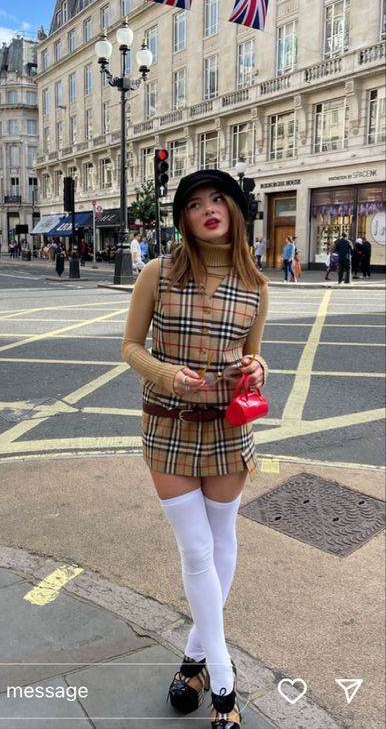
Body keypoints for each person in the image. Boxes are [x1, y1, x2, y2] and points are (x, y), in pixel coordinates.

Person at [122, 169, 268, 728]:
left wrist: (257, 365)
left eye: (217, 199)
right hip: (170, 423)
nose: (208, 209)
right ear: (182, 217)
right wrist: (166, 375)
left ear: (234, 208)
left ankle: (193, 660)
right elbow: (131, 346)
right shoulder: (159, 273)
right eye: (195, 203)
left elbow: (255, 355)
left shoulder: (255, 284)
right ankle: (225, 687)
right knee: (196, 551)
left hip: (230, 427)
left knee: (221, 541)